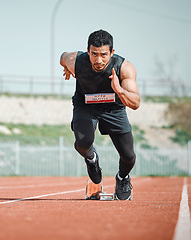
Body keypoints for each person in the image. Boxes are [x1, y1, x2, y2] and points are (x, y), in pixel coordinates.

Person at [60, 29, 140, 200]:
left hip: (114, 109)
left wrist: (119, 90)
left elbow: (135, 103)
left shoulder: (124, 68)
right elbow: (63, 56)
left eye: (104, 54)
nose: (98, 60)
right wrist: (66, 67)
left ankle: (123, 178)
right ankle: (91, 159)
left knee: (129, 156)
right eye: (94, 54)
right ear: (87, 51)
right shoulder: (77, 61)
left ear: (112, 52)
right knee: (82, 143)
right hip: (86, 106)